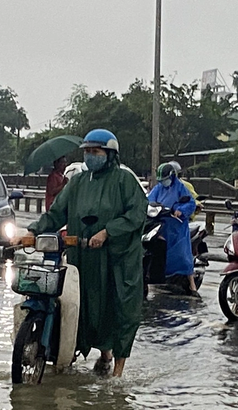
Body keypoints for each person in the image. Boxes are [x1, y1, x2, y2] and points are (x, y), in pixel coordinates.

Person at [28, 128, 147, 377]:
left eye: (96, 152)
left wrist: (107, 232)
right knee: (81, 306)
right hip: (83, 257)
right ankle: (91, 354)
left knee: (119, 310)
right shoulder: (78, 182)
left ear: (109, 154)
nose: (91, 156)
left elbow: (136, 215)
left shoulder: (125, 181)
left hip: (117, 260)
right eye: (87, 152)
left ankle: (118, 371)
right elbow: (56, 213)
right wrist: (32, 231)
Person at [147, 162, 198, 295]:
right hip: (161, 224)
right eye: (161, 180)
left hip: (177, 227)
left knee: (183, 257)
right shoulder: (158, 188)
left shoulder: (181, 188)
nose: (163, 182)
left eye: (165, 180)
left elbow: (191, 203)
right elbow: (149, 200)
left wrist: (180, 210)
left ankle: (192, 286)